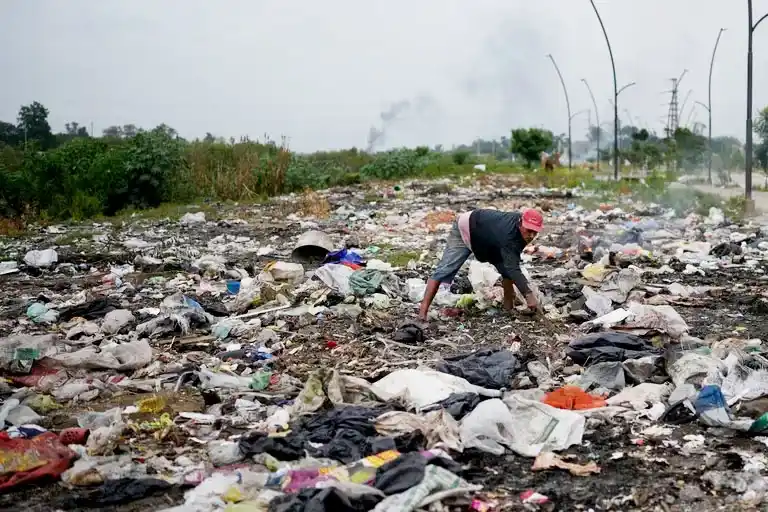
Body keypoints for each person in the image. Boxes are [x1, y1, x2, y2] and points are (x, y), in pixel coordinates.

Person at [418, 208, 543, 320]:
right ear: (520, 223)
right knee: (445, 269)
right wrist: (529, 295)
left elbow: (511, 266)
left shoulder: (520, 233)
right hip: (466, 227)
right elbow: (513, 267)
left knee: (506, 270)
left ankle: (508, 309)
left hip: (488, 239)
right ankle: (422, 314)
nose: (531, 236)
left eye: (535, 232)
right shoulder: (508, 233)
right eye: (529, 231)